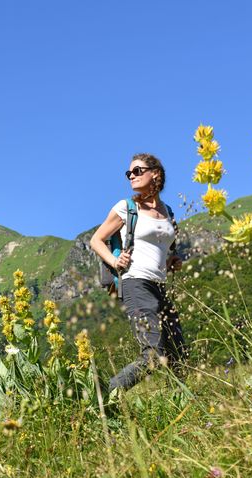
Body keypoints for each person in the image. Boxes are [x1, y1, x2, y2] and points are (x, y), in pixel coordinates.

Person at [90, 153, 186, 393]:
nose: (131, 176)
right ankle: (101, 398)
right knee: (153, 355)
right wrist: (114, 259)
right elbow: (96, 240)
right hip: (135, 283)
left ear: (155, 174)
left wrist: (172, 260)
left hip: (159, 284)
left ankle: (182, 409)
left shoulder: (168, 212)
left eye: (137, 171)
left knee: (178, 354)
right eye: (129, 173)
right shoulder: (126, 208)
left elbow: (163, 249)